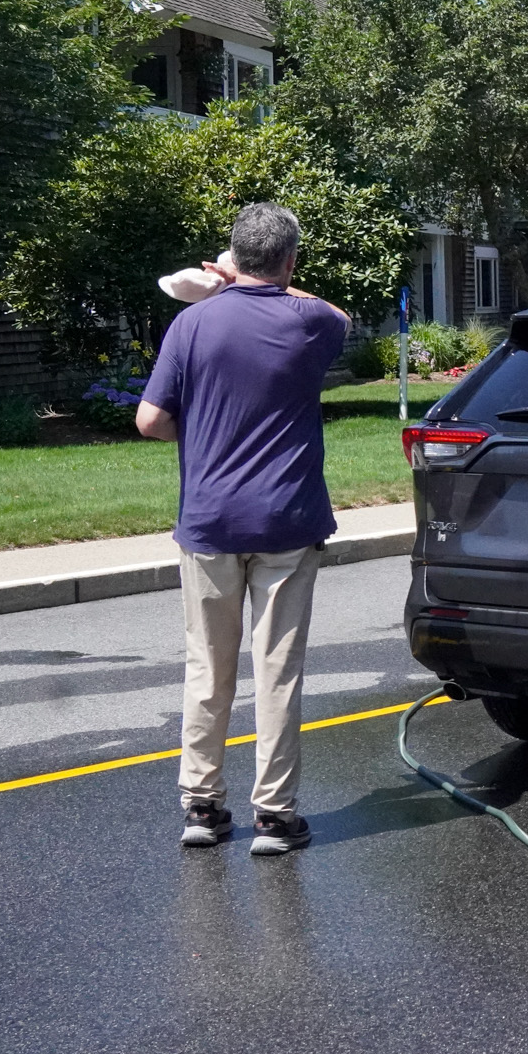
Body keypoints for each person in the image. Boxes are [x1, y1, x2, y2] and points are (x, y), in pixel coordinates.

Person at [137, 203, 351, 854]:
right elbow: (342, 317)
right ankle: (275, 817)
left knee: (207, 668)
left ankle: (202, 806)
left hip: (209, 521)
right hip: (287, 521)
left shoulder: (192, 324)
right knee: (277, 673)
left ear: (230, 254)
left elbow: (150, 420)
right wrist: (263, 281)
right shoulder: (308, 319)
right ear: (289, 260)